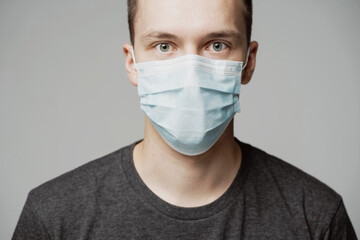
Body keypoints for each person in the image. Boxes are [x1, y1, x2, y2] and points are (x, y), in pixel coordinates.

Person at [13, 0, 357, 239]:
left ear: (248, 62)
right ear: (132, 63)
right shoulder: (54, 219)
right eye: (164, 46)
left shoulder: (316, 218)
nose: (191, 73)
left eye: (217, 45)